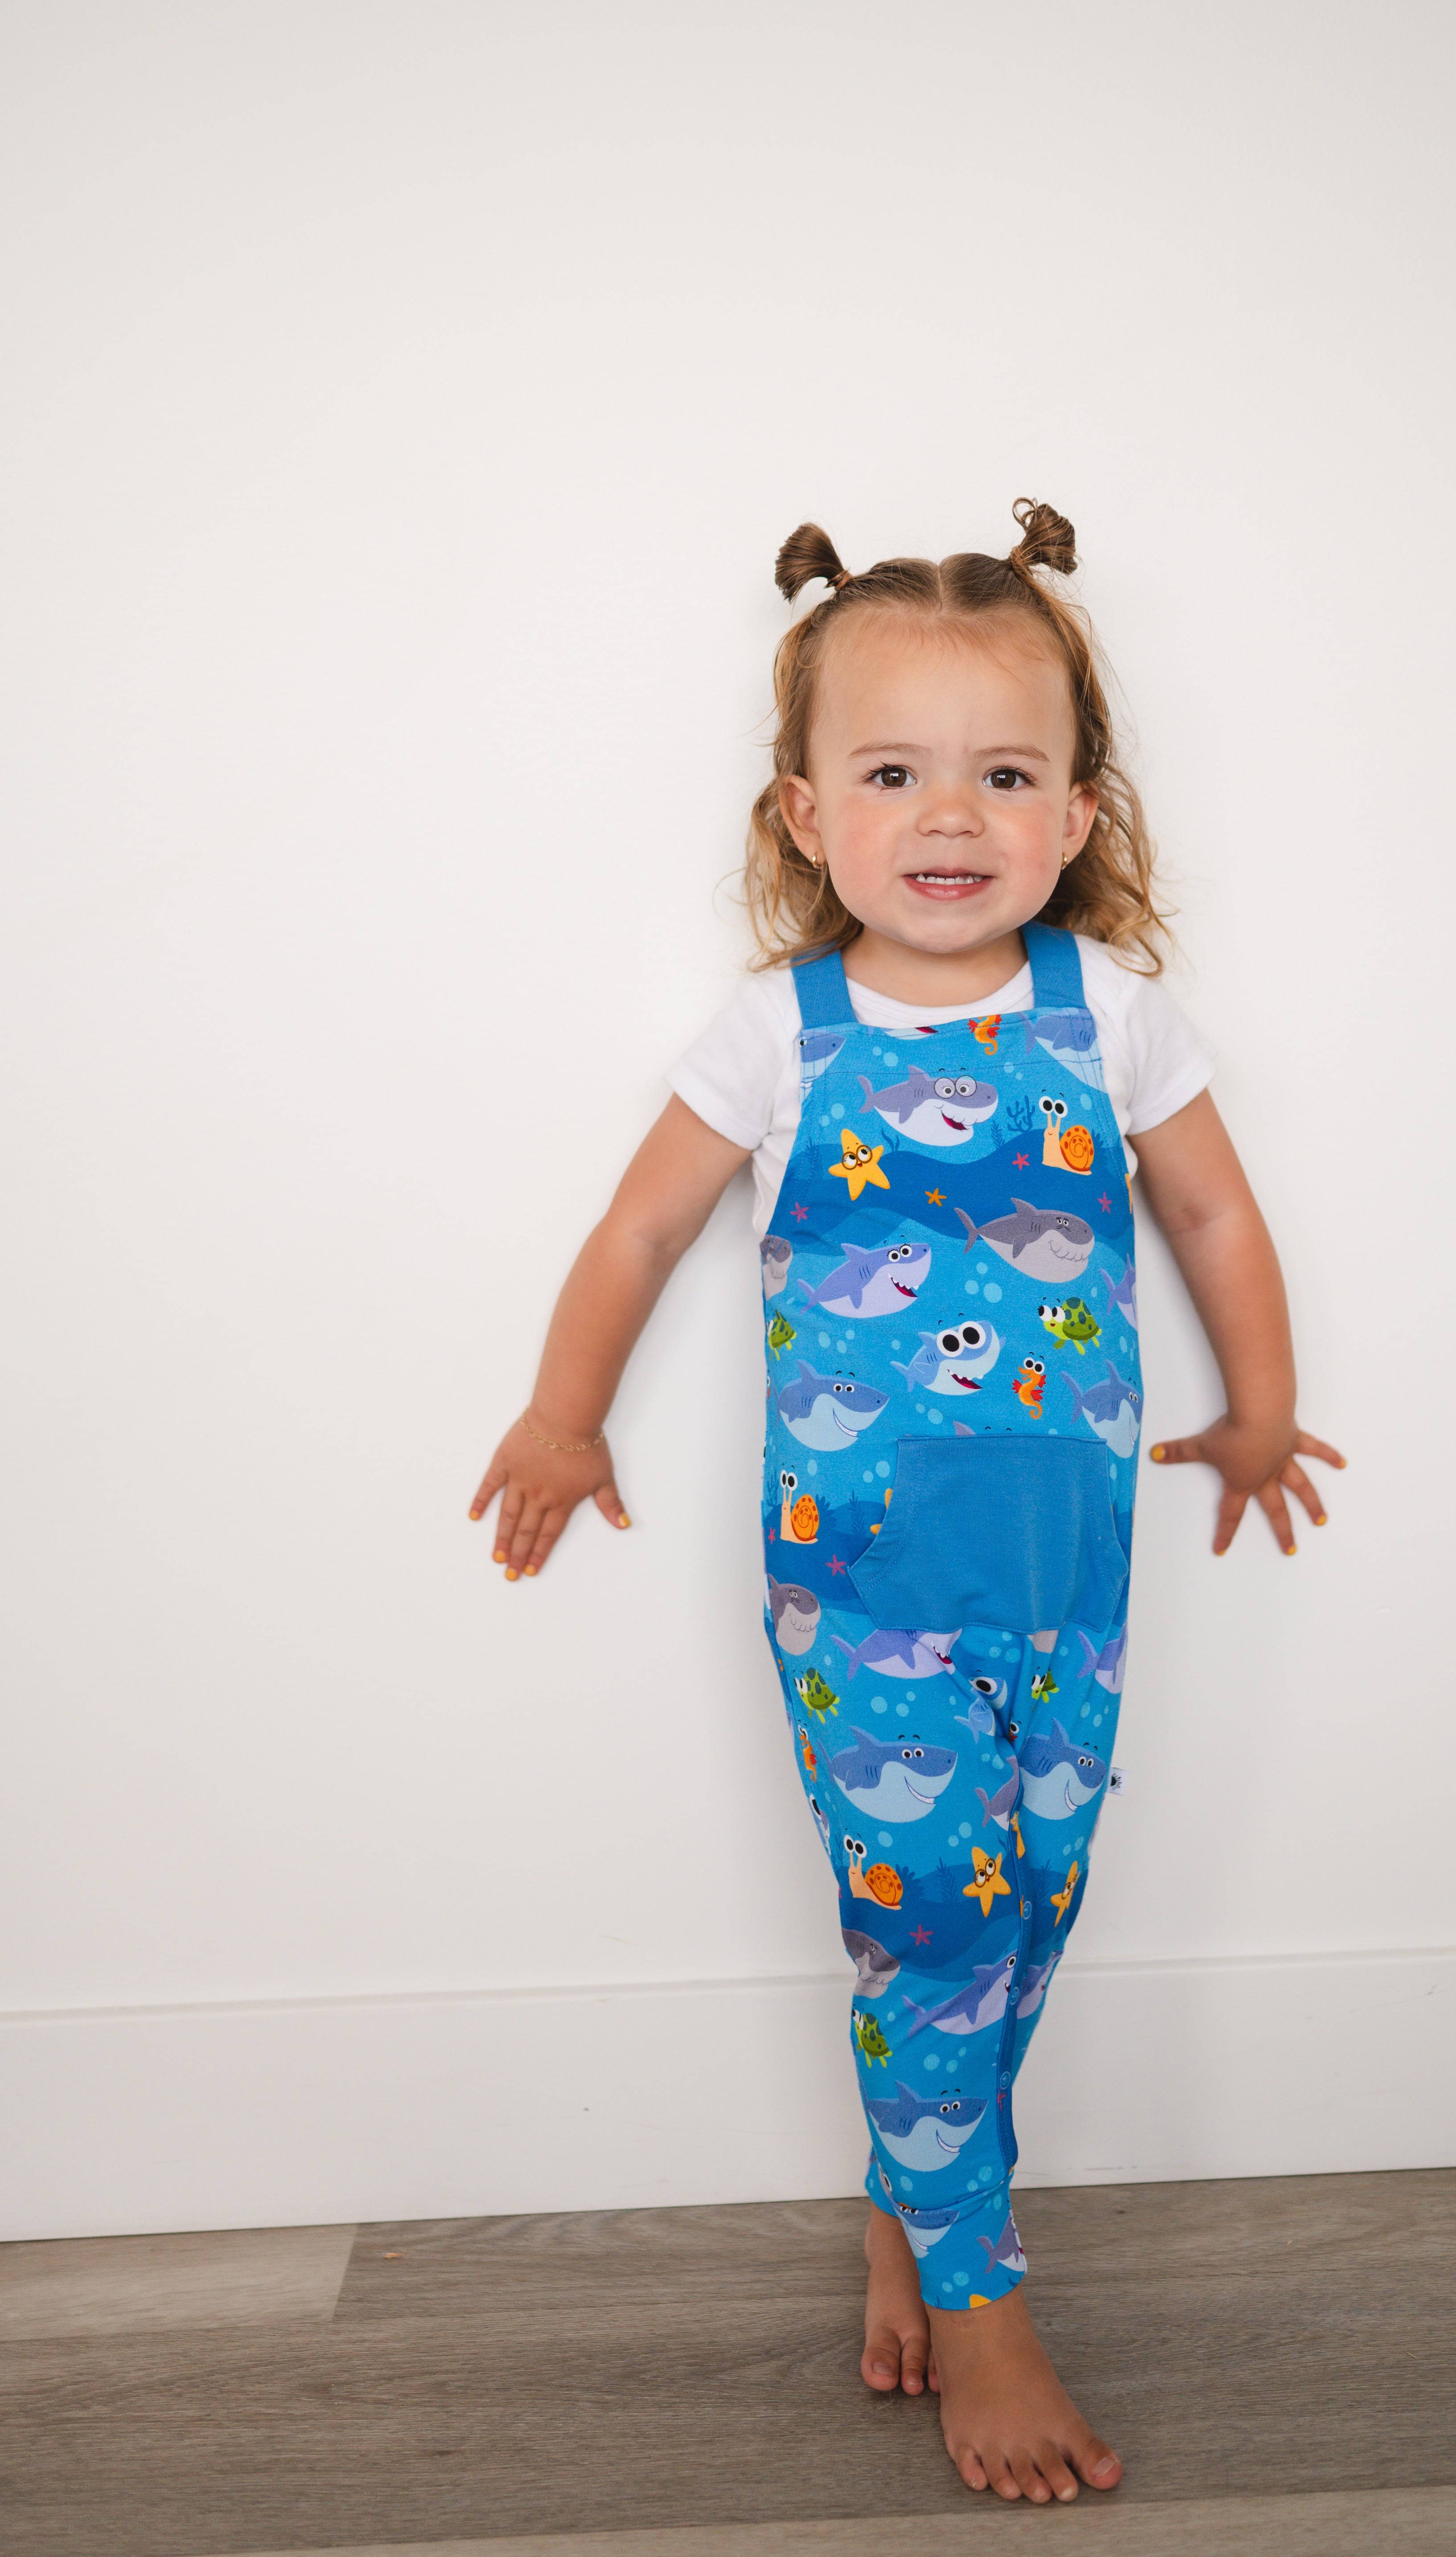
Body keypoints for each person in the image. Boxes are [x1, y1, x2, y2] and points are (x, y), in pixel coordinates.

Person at [469, 498, 1344, 2505]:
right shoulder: (778, 1035)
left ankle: (909, 2202)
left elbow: (1211, 1209)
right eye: (892, 772)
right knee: (923, 1923)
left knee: (1027, 1911)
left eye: (1002, 774)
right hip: (860, 1590)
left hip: (1061, 1565)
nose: (948, 816)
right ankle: (987, 2304)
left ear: (1072, 812)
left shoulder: (1107, 1015)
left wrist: (1264, 1410)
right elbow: (635, 1231)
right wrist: (562, 1415)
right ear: (804, 815)